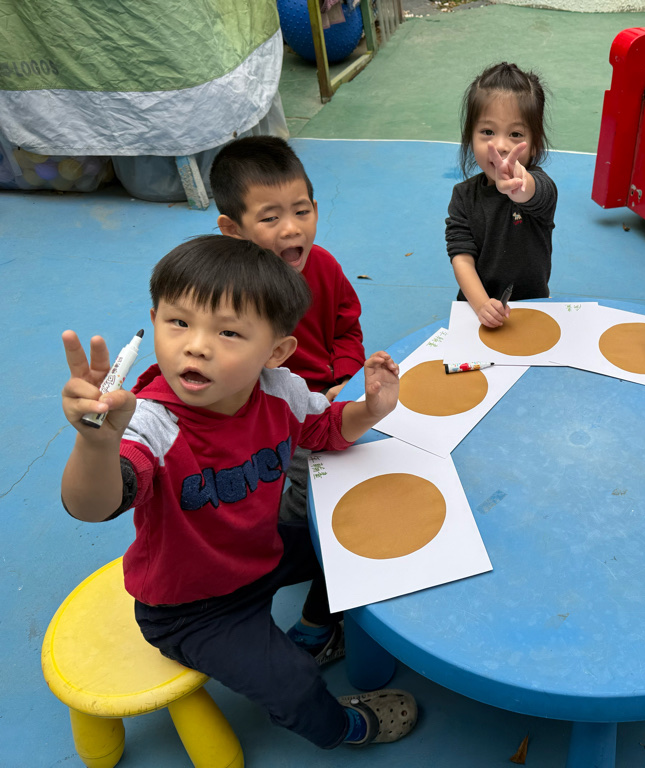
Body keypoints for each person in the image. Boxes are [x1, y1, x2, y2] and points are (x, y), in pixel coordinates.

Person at [59, 236, 417, 749]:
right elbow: (94, 506)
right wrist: (96, 443)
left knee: (350, 549)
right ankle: (343, 730)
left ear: (276, 352)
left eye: (228, 331)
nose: (196, 346)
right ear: (154, 319)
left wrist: (371, 411)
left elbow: (323, 428)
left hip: (259, 554)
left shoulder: (281, 390)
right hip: (190, 607)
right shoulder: (149, 423)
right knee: (293, 685)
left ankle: (314, 629)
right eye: (178, 322)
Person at [211, 136, 365, 658]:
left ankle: (318, 586)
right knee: (315, 514)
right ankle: (310, 585)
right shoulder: (232, 299)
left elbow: (347, 328)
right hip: (278, 421)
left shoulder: (324, 266)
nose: (292, 228)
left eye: (301, 211)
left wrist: (346, 375)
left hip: (328, 402)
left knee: (347, 495)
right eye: (270, 217)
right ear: (232, 229)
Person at [446, 61, 557, 328]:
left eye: (515, 134)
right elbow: (461, 257)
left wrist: (519, 185)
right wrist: (482, 305)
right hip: (476, 308)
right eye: (487, 132)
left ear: (535, 143)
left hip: (531, 307)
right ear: (470, 136)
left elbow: (533, 193)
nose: (500, 145)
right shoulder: (463, 196)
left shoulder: (540, 186)